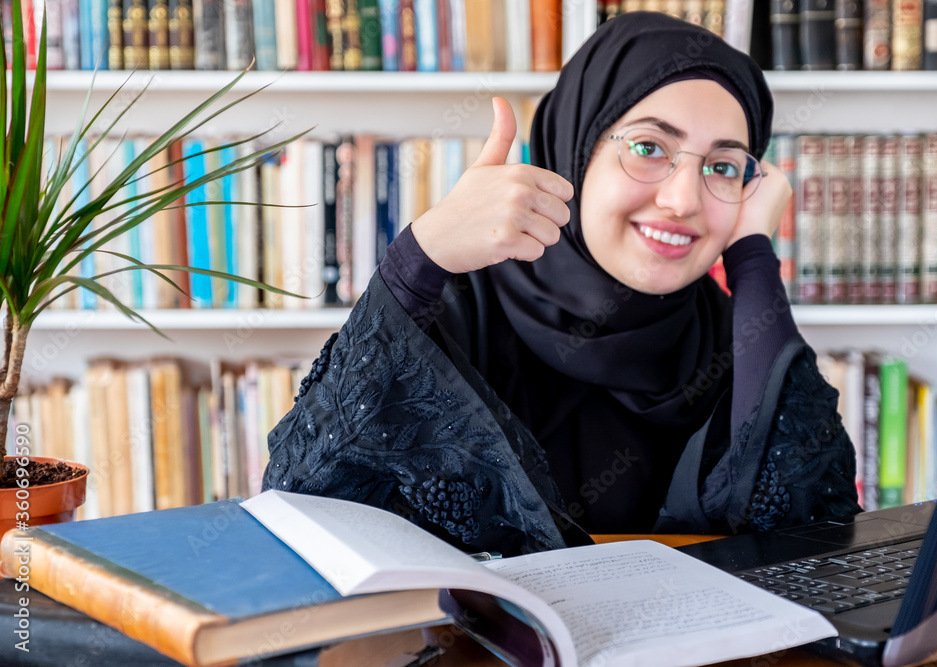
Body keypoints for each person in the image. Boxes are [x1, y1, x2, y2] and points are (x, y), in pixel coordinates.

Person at [262, 12, 861, 555]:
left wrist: (754, 258)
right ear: (573, 151)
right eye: (650, 147)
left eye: (723, 166)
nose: (683, 200)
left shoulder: (737, 340)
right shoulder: (453, 316)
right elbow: (305, 504)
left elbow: (821, 542)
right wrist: (420, 257)